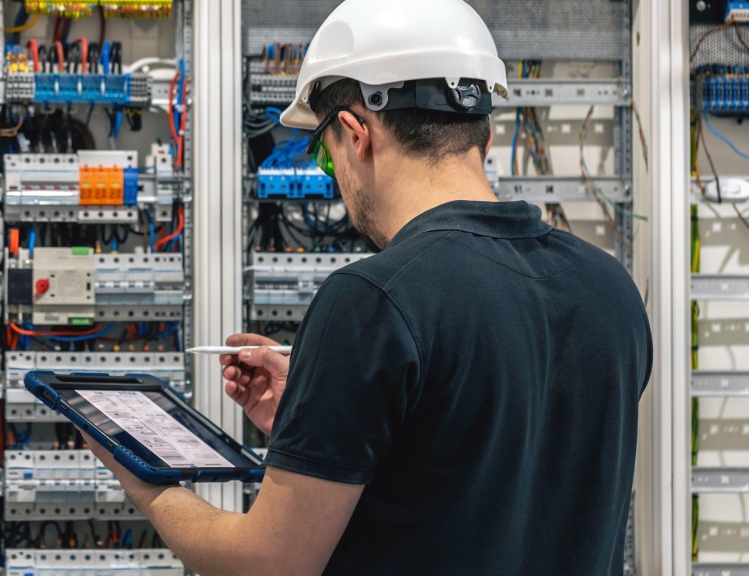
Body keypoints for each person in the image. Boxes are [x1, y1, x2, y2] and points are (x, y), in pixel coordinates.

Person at [83, 0, 653, 574]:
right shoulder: (609, 287)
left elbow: (268, 564)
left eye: (325, 157)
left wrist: (147, 481)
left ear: (357, 134)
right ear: (480, 132)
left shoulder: (374, 299)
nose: (335, 180)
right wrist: (325, 422)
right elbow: (490, 478)